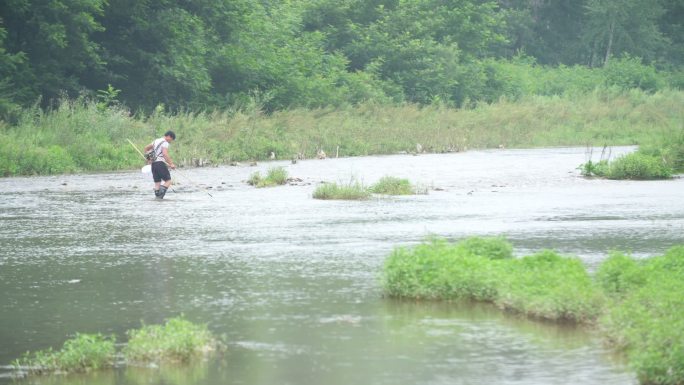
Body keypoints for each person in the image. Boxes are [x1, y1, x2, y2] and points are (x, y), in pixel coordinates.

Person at [143, 130, 176, 199]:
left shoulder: (156, 141)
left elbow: (146, 148)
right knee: (168, 181)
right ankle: (160, 197)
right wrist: (171, 164)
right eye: (171, 139)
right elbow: (165, 154)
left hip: (154, 164)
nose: (170, 141)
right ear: (169, 136)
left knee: (157, 182)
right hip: (160, 163)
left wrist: (149, 159)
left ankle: (157, 200)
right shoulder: (165, 143)